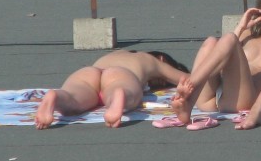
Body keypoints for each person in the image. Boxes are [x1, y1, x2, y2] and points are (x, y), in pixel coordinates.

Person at [167, 0, 261, 126]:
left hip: (246, 100)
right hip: (212, 99)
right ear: (260, 16)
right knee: (211, 42)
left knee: (229, 38)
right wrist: (241, 27)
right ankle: (189, 101)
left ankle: (189, 91)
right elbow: (222, 53)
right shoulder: (247, 36)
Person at [34, 50, 189, 129]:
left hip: (89, 72)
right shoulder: (151, 61)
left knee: (73, 100)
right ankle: (120, 94)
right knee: (128, 93)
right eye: (160, 82)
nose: (158, 84)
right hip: (119, 75)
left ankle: (56, 96)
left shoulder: (115, 53)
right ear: (161, 58)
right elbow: (186, 78)